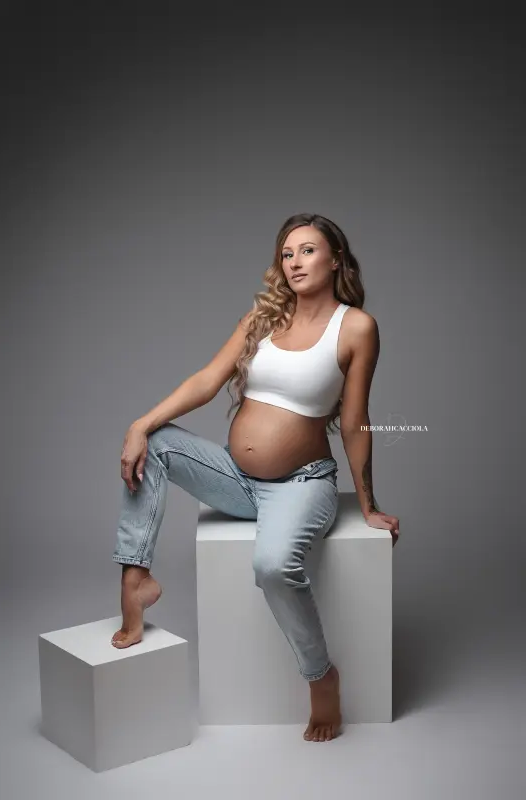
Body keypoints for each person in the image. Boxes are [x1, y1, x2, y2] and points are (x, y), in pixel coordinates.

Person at [110, 212, 400, 743]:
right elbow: (205, 380)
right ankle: (136, 580)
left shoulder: (355, 327)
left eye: (307, 250)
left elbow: (356, 423)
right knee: (155, 443)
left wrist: (369, 504)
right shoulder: (263, 317)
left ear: (336, 258)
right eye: (287, 253)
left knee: (272, 565)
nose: (294, 262)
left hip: (301, 484)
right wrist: (140, 422)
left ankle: (321, 677)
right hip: (237, 479)